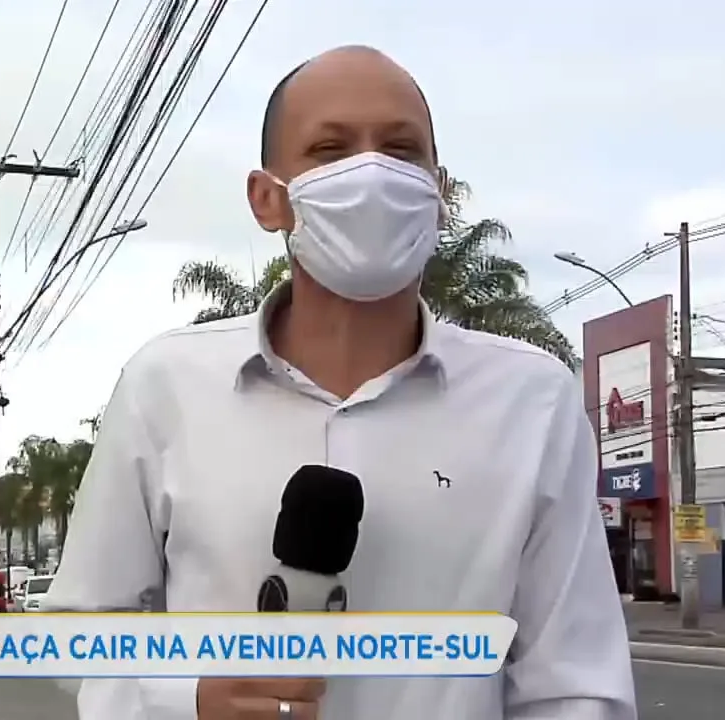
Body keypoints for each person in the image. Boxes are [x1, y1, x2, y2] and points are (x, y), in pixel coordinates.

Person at [45, 45, 636, 720]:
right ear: (268, 200)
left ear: (439, 197)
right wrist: (189, 698)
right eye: (331, 150)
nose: (372, 173)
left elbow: (575, 684)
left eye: (400, 148)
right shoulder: (166, 385)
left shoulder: (534, 401)